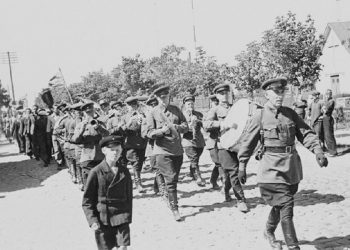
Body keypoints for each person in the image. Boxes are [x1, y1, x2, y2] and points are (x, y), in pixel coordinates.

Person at [237, 77, 328, 250]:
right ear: (267, 94)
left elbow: (306, 133)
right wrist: (242, 165)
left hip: (291, 169)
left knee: (280, 205)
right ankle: (293, 247)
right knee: (287, 207)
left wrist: (318, 151)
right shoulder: (260, 116)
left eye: (282, 91)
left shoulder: (290, 113)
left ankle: (268, 231)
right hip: (270, 171)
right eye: (276, 92)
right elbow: (247, 143)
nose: (280, 95)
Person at [145, 85, 188, 221]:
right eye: (161, 97)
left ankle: (165, 190)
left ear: (169, 96)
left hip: (177, 150)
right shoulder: (153, 112)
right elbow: (148, 133)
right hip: (162, 151)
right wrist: (161, 132)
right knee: (171, 180)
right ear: (157, 98)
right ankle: (175, 208)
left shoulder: (176, 110)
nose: (164, 99)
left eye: (166, 96)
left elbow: (185, 127)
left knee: (174, 177)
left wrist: (177, 127)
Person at [203, 83, 249, 212]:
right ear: (217, 95)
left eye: (227, 93)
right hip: (222, 145)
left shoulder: (235, 108)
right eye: (221, 93)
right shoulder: (215, 110)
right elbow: (206, 124)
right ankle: (241, 200)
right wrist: (222, 124)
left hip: (237, 144)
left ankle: (226, 190)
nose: (225, 96)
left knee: (230, 173)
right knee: (234, 171)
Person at [82, 135, 132, 250]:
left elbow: (129, 198)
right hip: (103, 220)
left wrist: (128, 218)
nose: (115, 153)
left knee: (123, 248)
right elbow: (87, 201)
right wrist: (92, 220)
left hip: (121, 218)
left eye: (118, 150)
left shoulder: (124, 171)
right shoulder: (96, 172)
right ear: (104, 151)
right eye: (112, 150)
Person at [71, 102, 109, 187]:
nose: (90, 114)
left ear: (94, 111)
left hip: (100, 155)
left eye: (91, 112)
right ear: (84, 113)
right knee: (89, 182)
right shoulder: (80, 125)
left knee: (102, 181)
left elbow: (107, 135)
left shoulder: (100, 123)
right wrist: (82, 130)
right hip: (87, 156)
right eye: (87, 113)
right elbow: (75, 140)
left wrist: (98, 127)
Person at [121, 96, 148, 193]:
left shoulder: (143, 114)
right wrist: (129, 122)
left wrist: (142, 122)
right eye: (131, 105)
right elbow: (121, 130)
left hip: (142, 143)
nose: (133, 107)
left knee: (140, 163)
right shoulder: (124, 117)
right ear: (127, 106)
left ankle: (136, 181)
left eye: (135, 105)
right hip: (130, 144)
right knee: (135, 163)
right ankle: (138, 184)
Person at [182, 95, 206, 187]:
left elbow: (205, 125)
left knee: (196, 159)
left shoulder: (199, 114)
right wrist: (189, 125)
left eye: (192, 103)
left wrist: (199, 122)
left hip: (199, 141)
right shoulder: (182, 115)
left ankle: (192, 173)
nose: (190, 105)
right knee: (194, 159)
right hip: (188, 141)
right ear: (185, 105)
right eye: (188, 104)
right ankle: (198, 177)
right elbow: (180, 128)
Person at [206, 94, 224, 190]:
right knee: (219, 163)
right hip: (213, 143)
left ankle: (213, 180)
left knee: (221, 163)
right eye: (214, 102)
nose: (216, 104)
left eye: (217, 102)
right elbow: (206, 128)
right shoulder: (210, 113)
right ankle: (223, 183)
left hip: (224, 142)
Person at [322, 89, 338, 156]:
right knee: (327, 135)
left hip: (328, 118)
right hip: (325, 118)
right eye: (326, 94)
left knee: (329, 135)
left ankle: (333, 152)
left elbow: (326, 110)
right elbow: (323, 109)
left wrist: (324, 108)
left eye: (329, 94)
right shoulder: (327, 101)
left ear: (331, 94)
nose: (327, 95)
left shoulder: (331, 101)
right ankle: (331, 151)